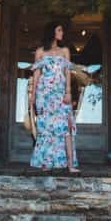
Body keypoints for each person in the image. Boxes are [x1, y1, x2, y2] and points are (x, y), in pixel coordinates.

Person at [29, 22, 79, 173]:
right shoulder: (40, 52)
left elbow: (67, 72)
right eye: (59, 30)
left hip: (60, 93)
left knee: (65, 127)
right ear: (52, 32)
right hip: (44, 94)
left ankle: (70, 164)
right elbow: (37, 74)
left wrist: (68, 92)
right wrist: (32, 96)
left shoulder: (64, 51)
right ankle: (46, 162)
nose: (62, 32)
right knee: (45, 128)